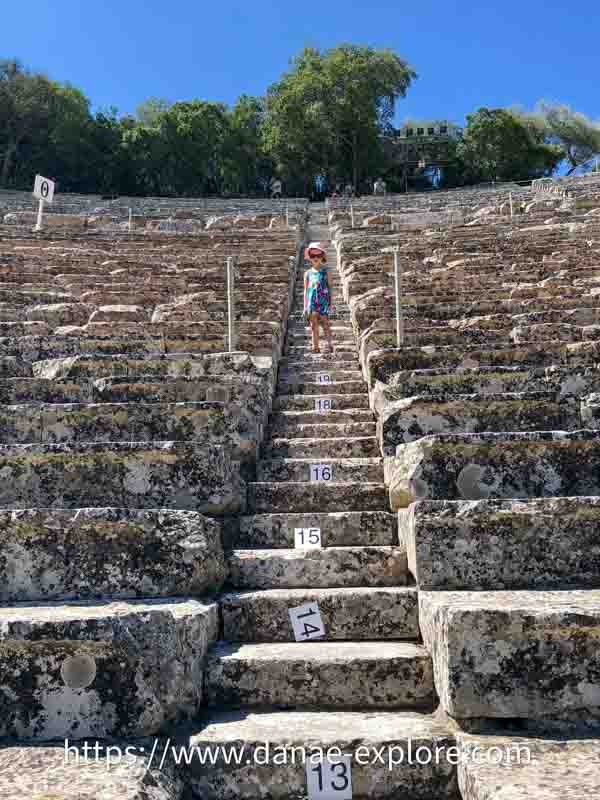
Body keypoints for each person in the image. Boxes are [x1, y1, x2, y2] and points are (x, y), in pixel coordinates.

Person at [303, 242, 334, 354]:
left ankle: (329, 345)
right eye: (313, 256)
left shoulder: (326, 272)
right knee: (313, 325)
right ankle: (315, 346)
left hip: (323, 300)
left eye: (318, 256)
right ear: (310, 257)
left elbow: (330, 287)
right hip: (312, 301)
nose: (316, 258)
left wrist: (331, 302)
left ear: (322, 257)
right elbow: (306, 290)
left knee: (325, 323)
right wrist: (305, 306)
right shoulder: (307, 273)